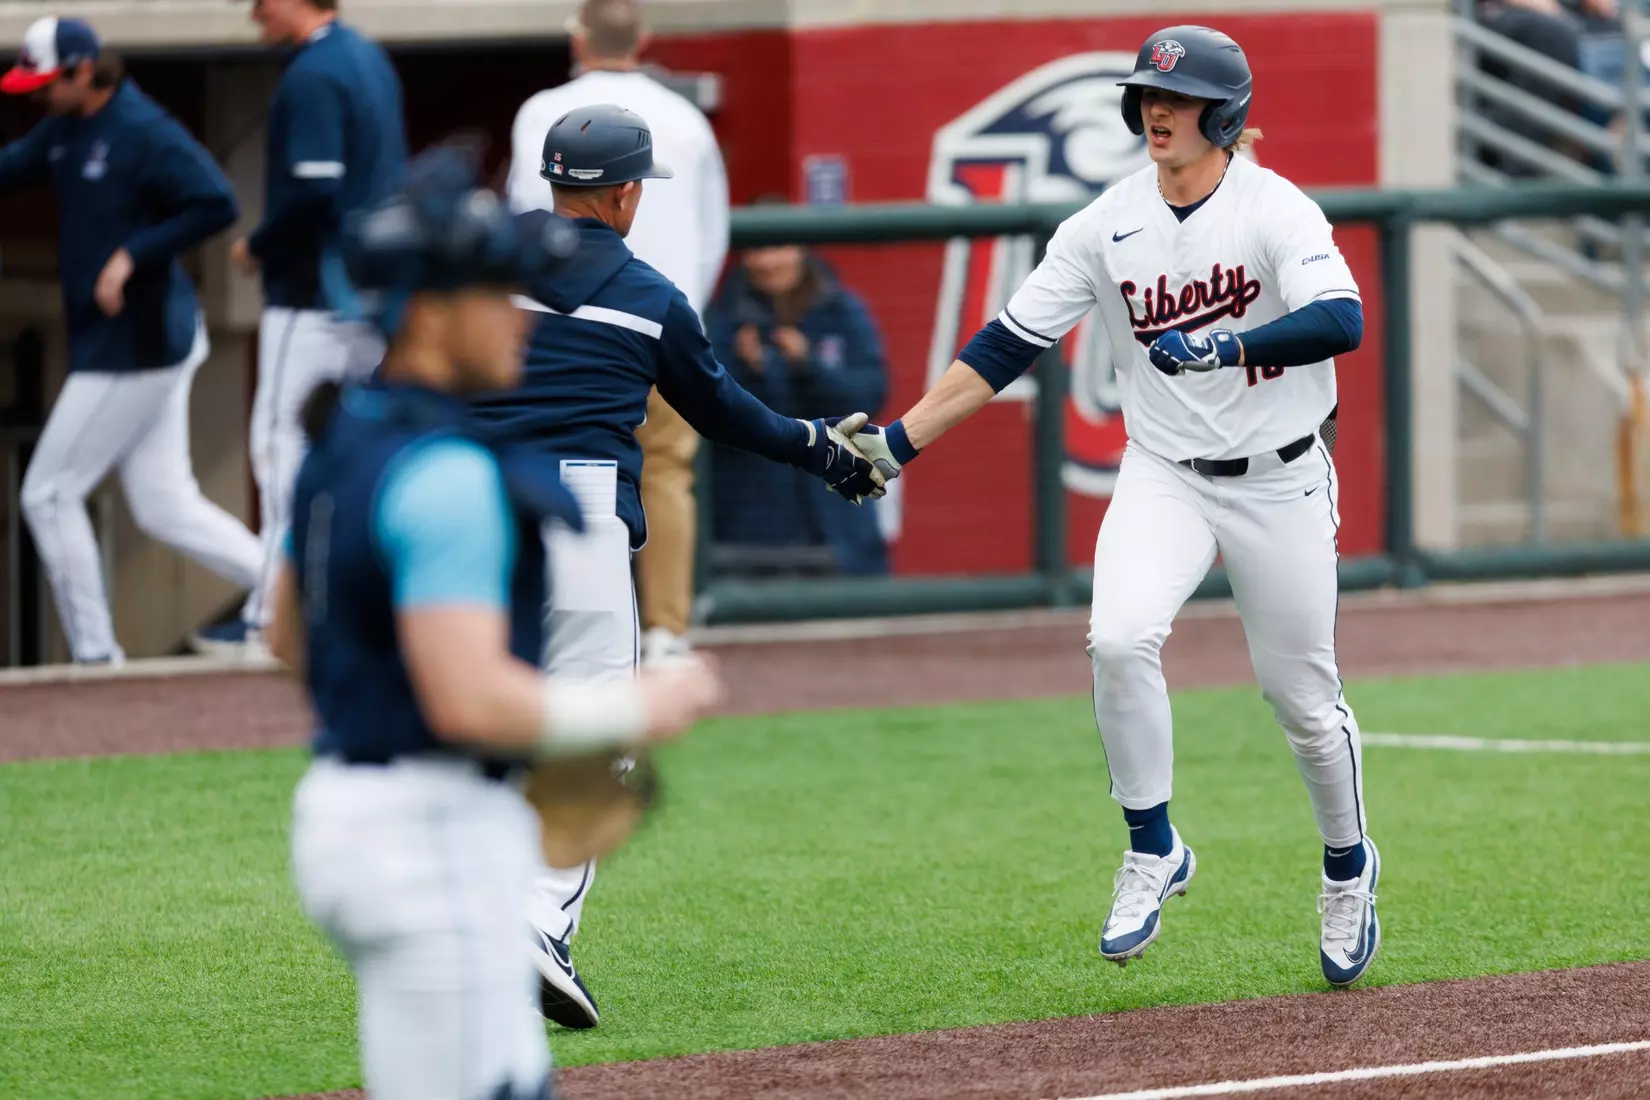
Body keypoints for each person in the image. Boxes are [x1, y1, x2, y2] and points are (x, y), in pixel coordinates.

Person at [839, 27, 1380, 987]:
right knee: (1119, 638)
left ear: (1229, 114)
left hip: (1281, 474)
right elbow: (1004, 345)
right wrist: (899, 443)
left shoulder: (1274, 208)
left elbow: (1343, 319)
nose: (1156, 112)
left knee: (1301, 698)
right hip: (1165, 471)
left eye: (1179, 99)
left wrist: (1223, 348)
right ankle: (1153, 846)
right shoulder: (1105, 223)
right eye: (1145, 98)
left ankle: (1346, 867)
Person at [272, 143, 726, 1100]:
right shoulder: (449, 473)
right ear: (431, 313)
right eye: (501, 292)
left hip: (349, 817)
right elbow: (469, 695)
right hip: (428, 837)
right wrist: (629, 711)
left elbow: (286, 638)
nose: (527, 312)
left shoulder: (338, 437)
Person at [471, 103, 880, 1029]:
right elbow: (726, 411)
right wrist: (822, 451)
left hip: (469, 506)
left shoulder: (479, 259)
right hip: (576, 512)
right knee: (601, 734)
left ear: (548, 182)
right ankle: (534, 921)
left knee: (480, 720)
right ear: (624, 194)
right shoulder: (650, 293)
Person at [0, 16, 262, 665]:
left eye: (44, 82)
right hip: (126, 339)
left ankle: (95, 658)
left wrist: (132, 256)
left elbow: (215, 202)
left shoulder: (144, 131)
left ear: (82, 70)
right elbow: (10, 168)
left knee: (48, 492)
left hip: (140, 341)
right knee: (165, 503)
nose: (36, 95)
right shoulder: (66, 126)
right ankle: (293, 593)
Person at [506, 0, 730, 666]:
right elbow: (713, 233)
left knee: (542, 464)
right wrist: (679, 318)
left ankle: (526, 619)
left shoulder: (542, 110)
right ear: (645, 39)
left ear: (577, 39)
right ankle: (665, 631)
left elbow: (530, 223)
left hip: (562, 332)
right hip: (660, 319)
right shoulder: (686, 118)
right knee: (664, 474)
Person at [206, 0, 406, 654]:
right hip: (369, 289)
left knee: (279, 444)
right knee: (363, 445)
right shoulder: (367, 57)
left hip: (317, 293)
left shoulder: (316, 71)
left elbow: (313, 192)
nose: (254, 11)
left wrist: (259, 245)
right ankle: (345, 602)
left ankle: (274, 613)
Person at [707, 235, 891, 575]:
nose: (768, 261)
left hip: (838, 518)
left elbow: (870, 396)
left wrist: (808, 365)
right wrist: (751, 373)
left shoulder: (840, 309)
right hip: (749, 527)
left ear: (801, 252)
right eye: (759, 249)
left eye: (778, 248)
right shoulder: (722, 318)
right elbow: (707, 414)